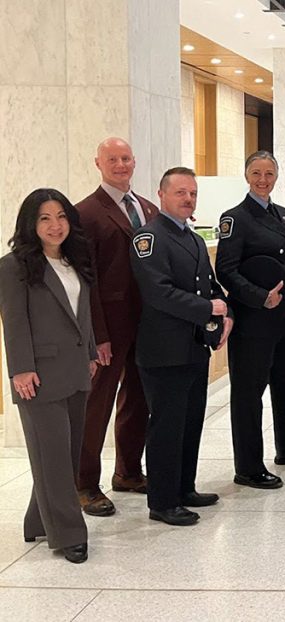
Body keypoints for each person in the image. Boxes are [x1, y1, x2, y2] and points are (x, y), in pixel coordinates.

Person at [0, 189, 97, 563]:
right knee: (53, 455)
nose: (55, 225)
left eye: (61, 216)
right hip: (38, 376)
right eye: (44, 218)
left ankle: (37, 520)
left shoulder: (74, 260)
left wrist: (90, 353)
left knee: (63, 454)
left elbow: (82, 313)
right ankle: (69, 535)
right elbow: (14, 321)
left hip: (75, 370)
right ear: (31, 223)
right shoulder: (14, 266)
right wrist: (20, 369)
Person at [130, 167, 230, 526]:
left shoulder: (193, 238)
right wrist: (207, 309)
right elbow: (158, 292)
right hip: (164, 351)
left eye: (193, 194)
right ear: (162, 195)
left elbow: (210, 285)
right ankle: (162, 501)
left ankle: (184, 488)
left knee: (190, 422)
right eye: (180, 193)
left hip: (193, 346)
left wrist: (226, 311)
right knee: (167, 427)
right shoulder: (150, 238)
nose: (188, 199)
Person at [215, 151, 285, 491]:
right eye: (256, 173)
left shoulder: (283, 214)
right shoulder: (235, 218)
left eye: (269, 173)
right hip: (254, 321)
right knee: (249, 393)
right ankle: (248, 466)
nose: (263, 179)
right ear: (247, 176)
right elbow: (226, 270)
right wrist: (260, 296)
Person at [75, 137, 157, 516]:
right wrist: (98, 336)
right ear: (98, 163)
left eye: (125, 158)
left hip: (147, 325)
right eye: (113, 159)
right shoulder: (85, 213)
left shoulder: (147, 208)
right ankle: (85, 484)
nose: (120, 164)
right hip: (110, 328)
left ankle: (128, 472)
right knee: (97, 406)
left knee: (138, 399)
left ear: (134, 161)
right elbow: (86, 279)